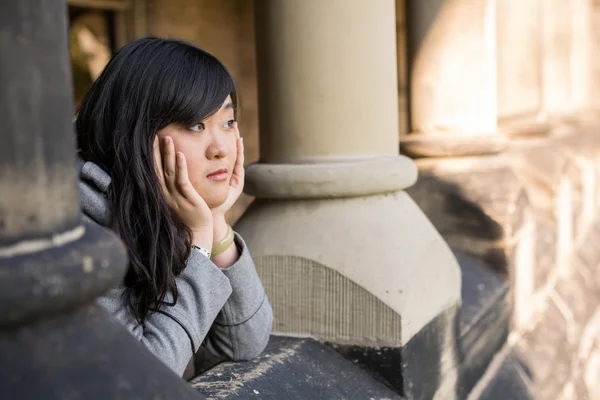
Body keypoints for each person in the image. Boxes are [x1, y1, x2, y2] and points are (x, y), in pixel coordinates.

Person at [75, 37, 273, 376]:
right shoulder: (77, 221)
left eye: (227, 122)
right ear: (137, 129)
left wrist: (216, 223)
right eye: (196, 125)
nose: (221, 149)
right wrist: (198, 243)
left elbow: (245, 343)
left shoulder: (164, 207)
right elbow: (145, 377)